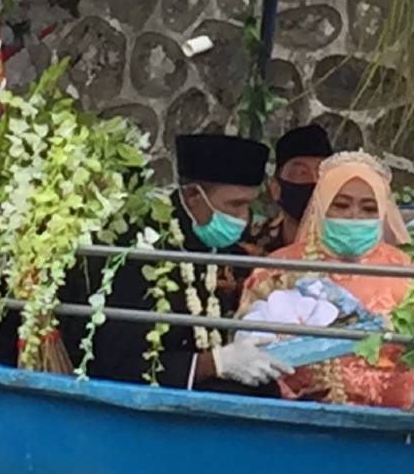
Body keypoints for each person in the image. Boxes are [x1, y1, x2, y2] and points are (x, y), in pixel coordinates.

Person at [240, 151, 414, 411]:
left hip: (395, 415)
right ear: (320, 205)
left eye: (368, 209)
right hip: (294, 412)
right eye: (341, 205)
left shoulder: (410, 273)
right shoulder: (279, 269)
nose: (354, 216)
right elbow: (249, 342)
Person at [88, 134, 292, 392]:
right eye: (235, 205)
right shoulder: (140, 248)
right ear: (194, 196)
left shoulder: (220, 245)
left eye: (248, 205)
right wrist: (213, 363)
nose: (243, 217)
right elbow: (118, 359)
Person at [241, 124, 333, 256]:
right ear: (275, 189)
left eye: (321, 173)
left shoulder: (344, 248)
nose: (314, 181)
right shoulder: (251, 245)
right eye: (301, 173)